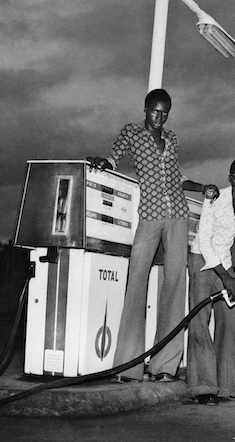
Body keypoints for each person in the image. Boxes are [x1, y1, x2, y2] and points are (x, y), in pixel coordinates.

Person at [87, 88, 219, 383]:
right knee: (136, 283)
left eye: (165, 112)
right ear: (145, 109)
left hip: (178, 216)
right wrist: (103, 163)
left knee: (174, 286)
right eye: (155, 111)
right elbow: (114, 157)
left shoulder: (171, 139)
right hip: (149, 214)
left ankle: (164, 366)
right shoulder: (132, 133)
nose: (160, 117)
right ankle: (127, 366)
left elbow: (177, 177)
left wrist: (203, 187)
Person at [187, 157, 235, 405]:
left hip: (225, 262)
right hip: (202, 259)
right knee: (200, 321)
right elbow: (205, 240)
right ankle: (203, 386)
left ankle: (231, 385)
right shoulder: (215, 199)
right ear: (230, 178)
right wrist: (227, 277)